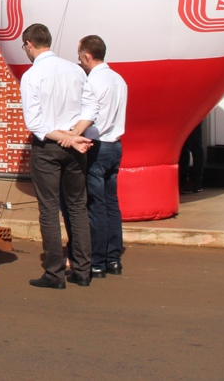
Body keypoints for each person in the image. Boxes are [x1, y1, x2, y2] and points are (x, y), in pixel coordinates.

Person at [19, 23, 97, 289]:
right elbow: (91, 106)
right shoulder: (75, 69)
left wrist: (67, 137)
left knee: (49, 209)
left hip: (48, 147)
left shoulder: (32, 75)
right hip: (76, 143)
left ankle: (54, 272)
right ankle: (83, 269)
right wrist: (75, 134)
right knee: (77, 206)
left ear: (29, 44)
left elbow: (35, 123)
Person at [76, 35, 127, 278]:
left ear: (87, 56)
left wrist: (74, 133)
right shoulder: (118, 79)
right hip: (115, 145)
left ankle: (96, 261)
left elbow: (91, 116)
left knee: (95, 205)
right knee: (111, 204)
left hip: (97, 145)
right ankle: (113, 258)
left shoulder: (92, 81)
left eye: (79, 55)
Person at [179, 123, 205, 194]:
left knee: (195, 146)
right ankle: (182, 181)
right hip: (183, 116)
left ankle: (196, 182)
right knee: (183, 146)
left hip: (193, 116)